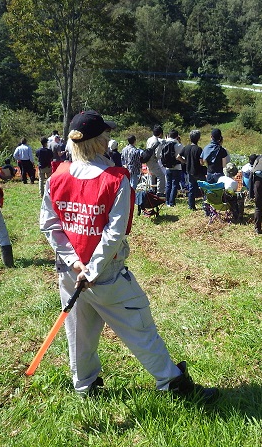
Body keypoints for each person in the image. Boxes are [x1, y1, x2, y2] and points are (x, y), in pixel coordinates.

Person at [40, 110, 218, 401]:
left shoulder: (57, 177)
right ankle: (173, 384)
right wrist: (92, 268)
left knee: (79, 334)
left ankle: (84, 386)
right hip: (106, 275)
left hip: (69, 273)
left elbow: (50, 225)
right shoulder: (115, 179)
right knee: (140, 328)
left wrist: (74, 263)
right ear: (101, 141)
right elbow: (113, 232)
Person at [178, 130, 206, 211]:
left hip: (189, 170)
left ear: (190, 138)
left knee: (191, 188)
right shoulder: (199, 149)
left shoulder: (186, 148)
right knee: (204, 187)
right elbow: (201, 162)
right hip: (198, 171)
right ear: (198, 139)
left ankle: (191, 205)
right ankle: (205, 204)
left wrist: (185, 161)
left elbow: (178, 157)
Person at [161, 129, 183, 207]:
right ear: (177, 136)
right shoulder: (178, 145)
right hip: (177, 167)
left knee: (168, 184)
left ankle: (167, 201)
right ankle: (172, 202)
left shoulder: (164, 144)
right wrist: (180, 142)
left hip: (167, 167)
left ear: (169, 135)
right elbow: (181, 154)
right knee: (174, 185)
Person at [145, 125, 165, 194]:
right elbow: (158, 155)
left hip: (147, 160)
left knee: (152, 176)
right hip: (153, 161)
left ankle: (152, 191)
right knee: (161, 176)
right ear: (160, 134)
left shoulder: (149, 139)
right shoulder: (157, 142)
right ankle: (160, 192)